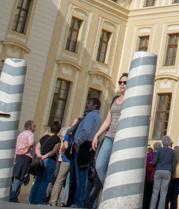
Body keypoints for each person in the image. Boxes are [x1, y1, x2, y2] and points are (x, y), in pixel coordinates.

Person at [87, 74, 128, 207]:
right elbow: (107, 120)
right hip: (110, 136)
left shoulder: (132, 99)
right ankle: (109, 192)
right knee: (99, 165)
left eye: (124, 82)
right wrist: (96, 135)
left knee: (116, 169)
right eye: (120, 82)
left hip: (122, 138)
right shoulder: (115, 99)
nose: (122, 84)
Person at [71, 98, 102, 207]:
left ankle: (78, 202)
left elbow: (86, 130)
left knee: (81, 176)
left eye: (89, 103)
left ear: (95, 106)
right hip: (90, 146)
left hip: (84, 145)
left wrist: (78, 143)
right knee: (84, 176)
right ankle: (83, 202)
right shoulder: (98, 117)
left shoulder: (90, 116)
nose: (87, 105)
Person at [29, 121, 62, 205]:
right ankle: (39, 200)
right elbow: (54, 151)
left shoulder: (44, 137)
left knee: (37, 181)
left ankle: (32, 200)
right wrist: (46, 156)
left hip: (40, 161)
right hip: (50, 161)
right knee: (45, 182)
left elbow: (37, 147)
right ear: (59, 130)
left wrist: (40, 155)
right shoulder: (57, 139)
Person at [49, 117, 79, 206]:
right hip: (70, 158)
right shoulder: (72, 132)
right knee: (67, 181)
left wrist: (68, 150)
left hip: (67, 158)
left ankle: (58, 201)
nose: (72, 123)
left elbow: (65, 143)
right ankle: (62, 201)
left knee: (63, 180)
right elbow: (65, 143)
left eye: (74, 122)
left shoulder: (70, 132)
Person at [9, 120, 38, 202]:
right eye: (34, 126)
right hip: (25, 157)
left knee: (16, 175)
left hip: (18, 156)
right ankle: (13, 196)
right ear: (30, 127)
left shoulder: (21, 134)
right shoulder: (30, 134)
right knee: (20, 177)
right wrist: (26, 150)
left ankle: (11, 195)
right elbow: (31, 143)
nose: (35, 128)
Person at [150, 135, 175, 209]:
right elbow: (173, 164)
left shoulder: (159, 150)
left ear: (163, 142)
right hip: (168, 171)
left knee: (155, 191)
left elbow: (154, 162)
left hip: (159, 170)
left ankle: (152, 207)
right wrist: (172, 173)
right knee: (164, 192)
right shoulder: (172, 152)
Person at [143, 143, 159, 209]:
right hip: (153, 178)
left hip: (146, 178)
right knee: (152, 194)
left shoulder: (146, 156)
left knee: (145, 195)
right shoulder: (157, 156)